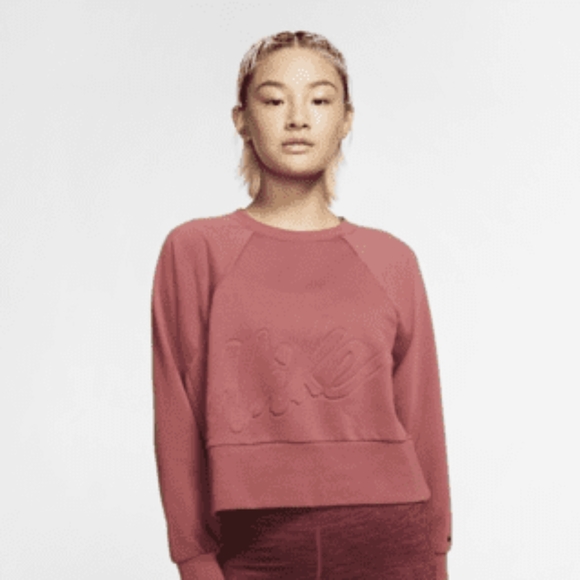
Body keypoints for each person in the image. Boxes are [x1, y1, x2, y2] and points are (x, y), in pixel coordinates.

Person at [151, 30, 452, 580]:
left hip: (390, 536)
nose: (297, 119)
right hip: (255, 545)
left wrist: (437, 555)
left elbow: (422, 414)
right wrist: (193, 557)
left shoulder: (391, 260)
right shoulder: (196, 250)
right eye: (273, 100)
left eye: (319, 100)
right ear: (242, 120)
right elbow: (177, 412)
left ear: (346, 119)